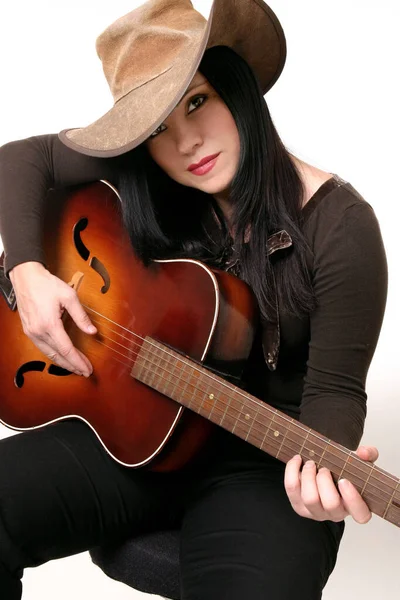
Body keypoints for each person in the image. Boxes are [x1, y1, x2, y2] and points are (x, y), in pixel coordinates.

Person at [0, 0, 388, 598]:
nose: (185, 143)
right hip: (134, 433)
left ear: (239, 88)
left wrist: (322, 467)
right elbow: (20, 159)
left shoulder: (341, 228)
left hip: (261, 471)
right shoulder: (146, 170)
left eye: (199, 101)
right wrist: (27, 270)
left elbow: (335, 391)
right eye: (156, 128)